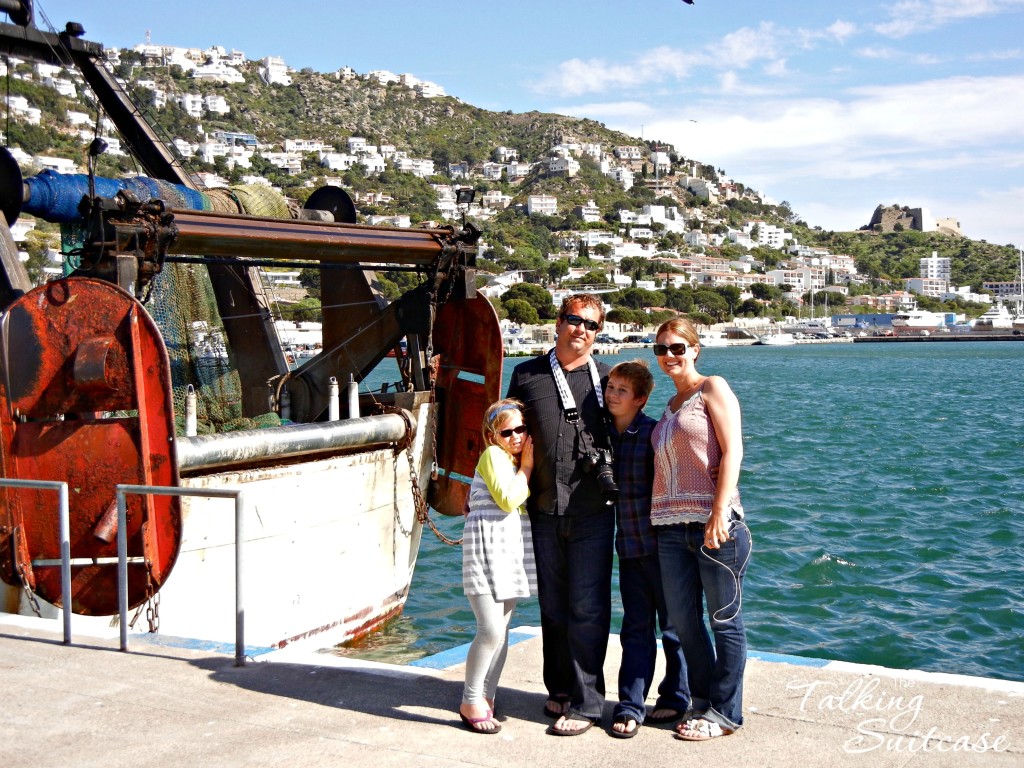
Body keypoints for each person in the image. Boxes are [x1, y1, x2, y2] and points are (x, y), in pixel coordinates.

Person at [506, 293, 613, 736]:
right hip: (544, 506)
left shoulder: (607, 378)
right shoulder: (526, 374)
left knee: (588, 607)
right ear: (558, 322)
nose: (581, 330)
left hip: (593, 509)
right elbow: (505, 433)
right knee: (553, 605)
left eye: (590, 325)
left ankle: (589, 703)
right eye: (574, 320)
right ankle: (561, 688)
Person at [650, 317, 752, 741]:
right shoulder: (669, 406)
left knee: (724, 620)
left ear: (695, 349)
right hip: (671, 529)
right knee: (684, 623)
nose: (669, 355)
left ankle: (726, 713)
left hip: (716, 528)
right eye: (661, 349)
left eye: (677, 347)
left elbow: (733, 451)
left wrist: (719, 511)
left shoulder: (713, 386)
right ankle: (703, 701)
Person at [604, 360, 689, 739]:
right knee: (635, 630)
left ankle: (677, 697)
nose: (612, 394)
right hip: (630, 548)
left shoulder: (653, 435)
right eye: (611, 387)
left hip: (665, 548)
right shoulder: (604, 434)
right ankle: (630, 705)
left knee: (674, 629)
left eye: (622, 390)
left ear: (640, 399)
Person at [459, 398, 537, 735]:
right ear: (493, 436)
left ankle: (486, 697)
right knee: (489, 629)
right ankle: (471, 698)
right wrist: (528, 468)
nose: (517, 436)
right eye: (508, 432)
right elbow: (507, 498)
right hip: (486, 551)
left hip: (507, 551)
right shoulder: (494, 456)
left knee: (501, 632)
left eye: (522, 429)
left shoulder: (508, 460)